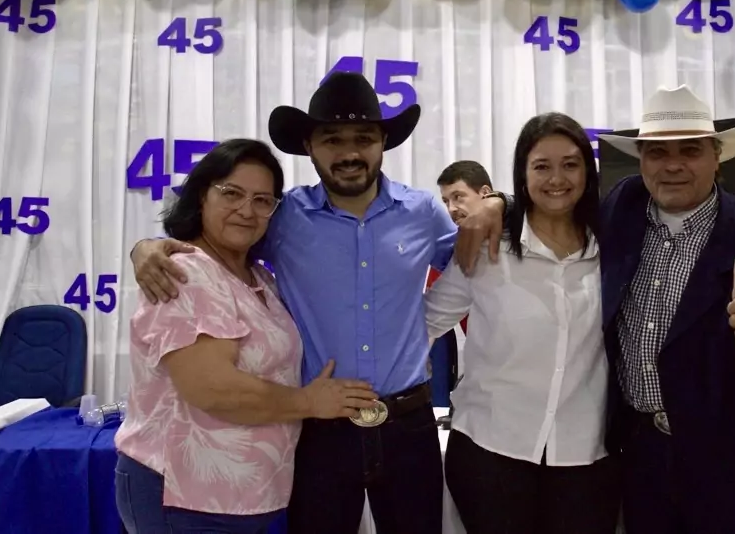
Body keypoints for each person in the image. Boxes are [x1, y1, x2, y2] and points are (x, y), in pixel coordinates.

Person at [455, 86, 735, 534]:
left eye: (690, 150)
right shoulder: (621, 209)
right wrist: (498, 204)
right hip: (640, 458)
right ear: (642, 159)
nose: (673, 165)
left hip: (727, 466)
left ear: (717, 156)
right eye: (657, 152)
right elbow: (554, 202)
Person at [129, 73, 467, 534]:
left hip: (407, 423)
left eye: (363, 138)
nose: (349, 152)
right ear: (309, 146)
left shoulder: (423, 212)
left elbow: (475, 258)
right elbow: (212, 241)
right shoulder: (282, 216)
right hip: (318, 425)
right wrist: (147, 246)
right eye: (332, 139)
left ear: (383, 142)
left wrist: (496, 206)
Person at [115, 139, 377, 534]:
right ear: (201, 196)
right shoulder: (186, 275)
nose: (246, 210)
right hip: (186, 498)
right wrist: (309, 401)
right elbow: (214, 390)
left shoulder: (259, 278)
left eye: (262, 200)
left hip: (245, 498)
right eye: (231, 193)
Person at [424, 113, 620, 534]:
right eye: (541, 166)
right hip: (489, 451)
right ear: (522, 172)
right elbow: (428, 321)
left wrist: (497, 202)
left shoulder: (612, 247)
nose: (557, 178)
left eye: (570, 164)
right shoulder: (487, 247)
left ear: (588, 169)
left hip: (585, 458)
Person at [428, 160, 494, 405]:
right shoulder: (447, 253)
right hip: (483, 390)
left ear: (485, 194)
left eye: (458, 197)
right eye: (446, 201)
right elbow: (429, 325)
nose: (452, 208)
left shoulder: (524, 236)